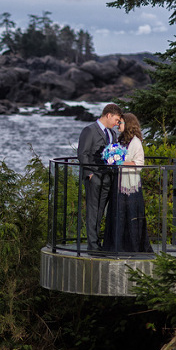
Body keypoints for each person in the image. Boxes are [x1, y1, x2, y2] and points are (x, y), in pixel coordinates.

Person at [103, 113, 153, 253]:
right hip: (118, 183)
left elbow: (139, 163)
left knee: (130, 215)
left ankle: (132, 247)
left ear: (129, 125)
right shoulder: (120, 141)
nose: (119, 125)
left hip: (130, 187)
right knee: (117, 214)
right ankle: (116, 246)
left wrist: (120, 162)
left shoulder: (136, 143)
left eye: (121, 123)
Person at [77, 103, 122, 252]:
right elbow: (82, 153)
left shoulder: (112, 133)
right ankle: (93, 245)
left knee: (101, 211)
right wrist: (90, 174)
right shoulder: (89, 130)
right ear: (108, 115)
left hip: (108, 178)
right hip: (94, 177)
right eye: (116, 119)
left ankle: (99, 243)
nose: (117, 123)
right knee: (93, 210)